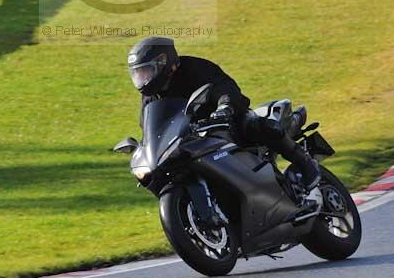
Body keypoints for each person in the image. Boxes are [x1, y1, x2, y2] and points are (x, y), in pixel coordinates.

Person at [127, 36, 321, 204]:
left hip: (223, 121)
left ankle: (306, 164)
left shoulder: (194, 68)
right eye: (138, 74)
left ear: (163, 62)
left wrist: (224, 107)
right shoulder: (151, 97)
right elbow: (151, 125)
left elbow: (224, 86)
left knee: (255, 125)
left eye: (145, 71)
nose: (142, 78)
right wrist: (146, 147)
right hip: (192, 139)